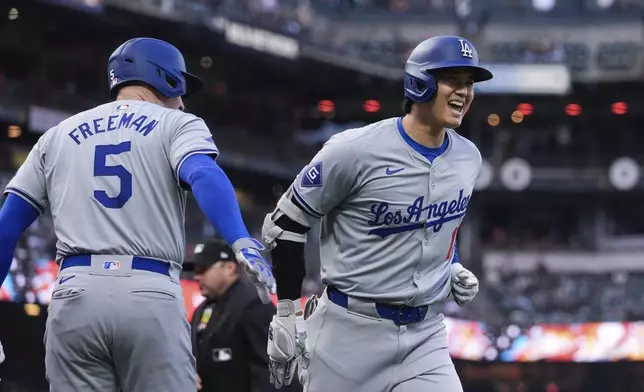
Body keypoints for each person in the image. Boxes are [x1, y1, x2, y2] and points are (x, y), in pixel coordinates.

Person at [0, 37, 273, 392]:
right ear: (166, 79)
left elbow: (7, 226)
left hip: (73, 295)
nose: (182, 100)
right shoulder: (176, 124)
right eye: (182, 88)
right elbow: (203, 174)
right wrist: (238, 237)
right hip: (148, 290)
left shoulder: (57, 135)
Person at [261, 35, 489, 392]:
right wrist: (287, 311)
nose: (464, 92)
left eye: (469, 83)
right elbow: (285, 223)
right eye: (453, 80)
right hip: (349, 335)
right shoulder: (354, 151)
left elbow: (441, 225)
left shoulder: (468, 157)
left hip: (425, 337)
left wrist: (453, 263)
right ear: (421, 82)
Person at [190, 239, 303, 392]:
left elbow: (274, 369)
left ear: (229, 267)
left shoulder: (252, 305)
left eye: (203, 269)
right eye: (195, 270)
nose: (197, 277)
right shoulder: (203, 309)